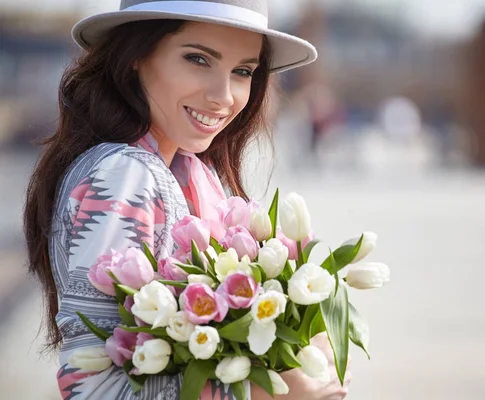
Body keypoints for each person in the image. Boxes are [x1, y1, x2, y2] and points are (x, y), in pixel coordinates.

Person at [23, 1, 351, 398]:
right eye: (198, 59)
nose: (223, 95)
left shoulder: (188, 169)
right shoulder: (124, 175)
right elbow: (91, 388)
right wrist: (274, 393)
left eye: (243, 71)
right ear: (135, 56)